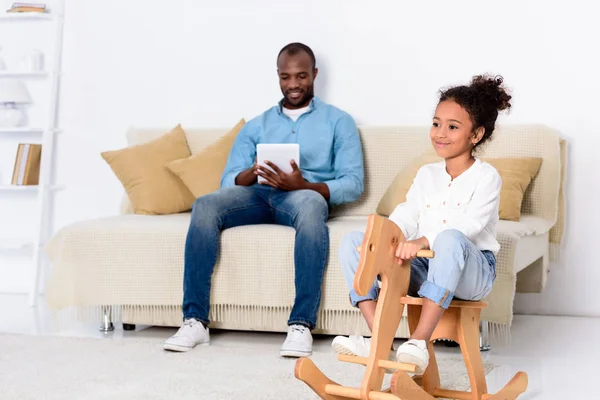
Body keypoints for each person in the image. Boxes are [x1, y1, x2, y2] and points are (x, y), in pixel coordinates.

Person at [163, 42, 365, 357]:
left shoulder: (339, 121)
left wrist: (306, 184)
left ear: (314, 74)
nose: (293, 84)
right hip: (257, 195)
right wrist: (250, 173)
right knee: (205, 204)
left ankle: (301, 325)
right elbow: (228, 180)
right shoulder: (257, 125)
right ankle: (194, 321)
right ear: (278, 77)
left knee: (312, 207)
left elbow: (353, 184)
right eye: (286, 77)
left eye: (301, 76)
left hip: (303, 198)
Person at [331, 74, 511, 374]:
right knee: (353, 241)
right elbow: (407, 213)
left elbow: (469, 224)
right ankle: (380, 339)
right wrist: (385, 240)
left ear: (476, 135)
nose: (440, 133)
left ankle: (417, 343)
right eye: (436, 123)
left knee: (451, 238)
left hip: (472, 272)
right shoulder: (427, 174)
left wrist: (422, 241)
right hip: (426, 269)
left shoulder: (486, 176)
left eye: (453, 127)